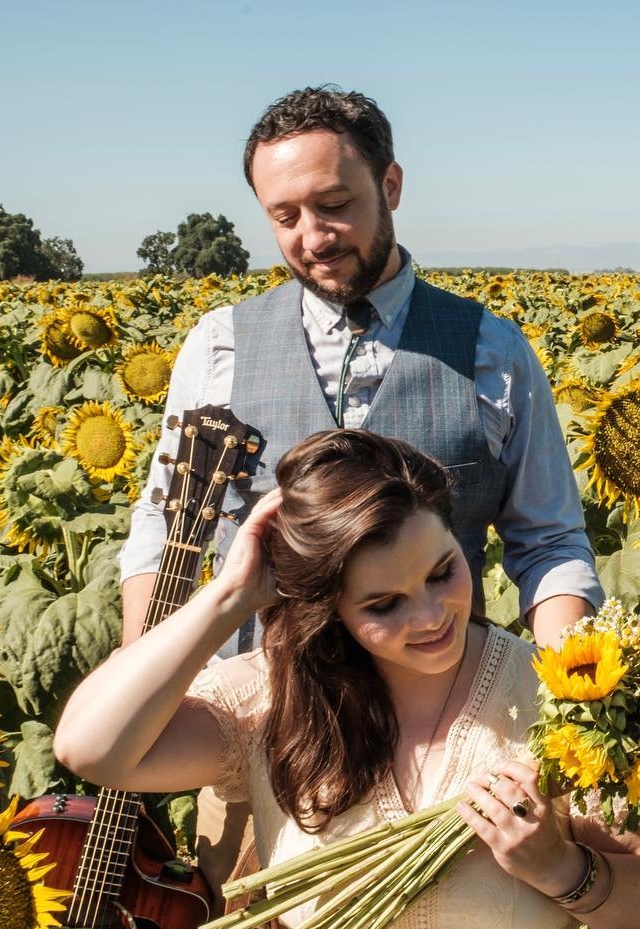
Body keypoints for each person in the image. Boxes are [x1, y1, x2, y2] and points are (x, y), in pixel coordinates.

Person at [56, 431, 640, 929]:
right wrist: (228, 598)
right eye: (384, 602)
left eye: (442, 570)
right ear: (330, 610)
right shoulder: (271, 699)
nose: (429, 615)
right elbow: (90, 748)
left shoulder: (550, 698)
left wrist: (559, 865)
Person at [119, 85, 601, 657]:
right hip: (255, 708)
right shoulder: (219, 345)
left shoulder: (491, 350)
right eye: (285, 216)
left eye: (335, 204)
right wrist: (140, 674)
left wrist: (577, 684)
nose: (313, 238)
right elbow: (164, 523)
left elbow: (548, 541)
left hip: (437, 714)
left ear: (390, 187)